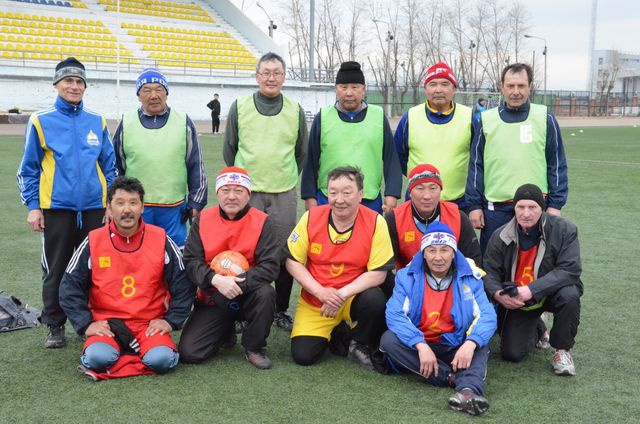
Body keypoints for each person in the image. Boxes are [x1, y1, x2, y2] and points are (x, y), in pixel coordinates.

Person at [17, 57, 116, 349]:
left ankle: (94, 322)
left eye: (79, 81)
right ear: (56, 85)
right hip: (57, 209)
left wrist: (111, 203)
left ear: (85, 86)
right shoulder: (41, 120)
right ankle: (55, 324)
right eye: (68, 81)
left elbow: (110, 167)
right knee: (56, 269)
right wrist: (33, 206)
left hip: (95, 210)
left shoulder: (97, 121)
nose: (74, 86)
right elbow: (28, 169)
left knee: (97, 267)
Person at [59, 177, 194, 380]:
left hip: (147, 325)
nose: (127, 210)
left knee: (162, 360)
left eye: (133, 203)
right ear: (109, 208)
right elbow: (69, 286)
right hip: (107, 325)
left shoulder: (160, 238)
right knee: (97, 359)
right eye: (120, 203)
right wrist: (86, 324)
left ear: (142, 207)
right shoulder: (94, 240)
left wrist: (170, 321)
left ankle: (123, 362)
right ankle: (132, 358)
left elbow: (183, 282)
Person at [223, 52, 308, 331]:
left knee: (285, 252)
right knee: (244, 253)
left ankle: (280, 310)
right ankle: (242, 310)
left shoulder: (295, 109)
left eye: (277, 73)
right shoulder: (240, 106)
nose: (271, 78)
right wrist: (243, 184)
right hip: (248, 194)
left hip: (283, 192)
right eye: (266, 72)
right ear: (257, 76)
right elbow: (230, 149)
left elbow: (301, 152)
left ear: (284, 77)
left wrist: (283, 175)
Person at [381, 221, 496, 416]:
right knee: (389, 340)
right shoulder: (406, 276)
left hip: (456, 343)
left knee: (479, 342)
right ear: (423, 253)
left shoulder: (470, 275)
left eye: (444, 250)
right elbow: (394, 314)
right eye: (432, 250)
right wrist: (420, 344)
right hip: (422, 344)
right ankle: (451, 377)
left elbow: (487, 315)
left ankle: (468, 392)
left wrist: (470, 344)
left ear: (453, 253)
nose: (438, 257)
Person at [286, 167, 394, 369]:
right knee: (303, 355)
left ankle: (360, 342)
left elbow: (379, 274)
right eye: (333, 192)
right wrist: (321, 292)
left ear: (360, 194)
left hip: (352, 296)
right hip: (317, 299)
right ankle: (339, 333)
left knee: (375, 300)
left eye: (347, 192)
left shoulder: (375, 222)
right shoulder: (310, 217)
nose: (339, 199)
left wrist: (340, 295)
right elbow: (292, 261)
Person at [178, 167, 279, 369]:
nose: (231, 196)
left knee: (266, 294)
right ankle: (226, 330)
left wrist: (238, 283)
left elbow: (270, 266)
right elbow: (191, 260)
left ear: (248, 194)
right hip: (214, 294)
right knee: (190, 353)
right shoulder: (203, 219)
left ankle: (254, 347)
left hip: (249, 293)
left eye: (238, 191)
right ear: (217, 194)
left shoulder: (263, 222)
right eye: (226, 190)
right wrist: (216, 280)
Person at [466, 63, 568, 254]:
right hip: (495, 209)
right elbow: (476, 166)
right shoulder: (484, 120)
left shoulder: (545, 118)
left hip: (535, 208)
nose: (515, 92)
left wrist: (555, 205)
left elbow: (556, 164)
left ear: (530, 87)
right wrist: (474, 205)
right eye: (510, 86)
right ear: (502, 87)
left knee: (535, 264)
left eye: (521, 86)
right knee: (493, 264)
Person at [483, 184, 582, 376]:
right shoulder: (500, 235)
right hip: (520, 300)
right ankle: (539, 327)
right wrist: (498, 294)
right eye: (521, 207)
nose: (526, 213)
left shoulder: (564, 229)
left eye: (532, 207)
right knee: (512, 354)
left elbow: (570, 269)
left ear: (542, 208)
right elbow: (489, 271)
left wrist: (532, 290)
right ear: (514, 208)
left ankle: (562, 351)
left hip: (551, 292)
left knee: (570, 294)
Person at [112, 67, 208, 248]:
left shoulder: (183, 121)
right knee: (138, 252)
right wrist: (114, 201)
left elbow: (195, 163)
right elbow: (116, 166)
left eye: (159, 89)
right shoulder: (127, 122)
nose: (153, 95)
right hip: (136, 207)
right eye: (146, 90)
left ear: (166, 93)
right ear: (138, 95)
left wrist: (196, 200)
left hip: (174, 207)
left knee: (174, 253)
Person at [301, 61, 402, 214]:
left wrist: (392, 194)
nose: (349, 93)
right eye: (344, 87)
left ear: (363, 89)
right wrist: (309, 197)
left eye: (355, 87)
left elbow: (391, 159)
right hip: (329, 199)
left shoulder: (378, 116)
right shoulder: (323, 117)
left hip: (368, 199)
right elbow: (311, 161)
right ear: (336, 89)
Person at [384, 164, 481, 297]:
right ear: (410, 192)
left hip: (451, 285)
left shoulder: (458, 216)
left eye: (433, 188)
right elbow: (385, 267)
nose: (427, 196)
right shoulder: (394, 219)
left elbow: (473, 260)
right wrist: (404, 290)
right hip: (410, 285)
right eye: (420, 188)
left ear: (440, 190)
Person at [394, 62, 473, 208]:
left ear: (454, 89)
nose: (438, 90)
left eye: (445, 84)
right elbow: (398, 157)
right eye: (433, 84)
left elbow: (477, 160)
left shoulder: (469, 117)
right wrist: (421, 180)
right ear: (425, 89)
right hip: (417, 202)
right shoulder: (410, 117)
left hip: (459, 202)